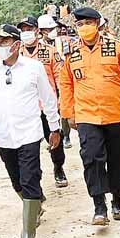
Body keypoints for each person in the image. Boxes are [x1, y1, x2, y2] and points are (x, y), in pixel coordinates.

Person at [0, 24, 61, 238]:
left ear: (16, 44)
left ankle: (28, 236)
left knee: (30, 179)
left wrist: (54, 128)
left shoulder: (34, 68)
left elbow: (48, 99)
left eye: (5, 41)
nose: (1, 46)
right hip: (4, 136)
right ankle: (34, 205)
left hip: (29, 134)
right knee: (17, 182)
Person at [59, 7, 120, 226]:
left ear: (98, 24)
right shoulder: (71, 54)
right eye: (80, 25)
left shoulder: (115, 47)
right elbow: (66, 83)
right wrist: (68, 113)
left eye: (88, 23)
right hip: (87, 116)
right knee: (92, 158)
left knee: (119, 158)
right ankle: (99, 205)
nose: (84, 28)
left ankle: (117, 199)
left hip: (116, 113)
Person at [17, 17, 68, 187]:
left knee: (55, 139)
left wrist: (61, 98)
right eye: (23, 30)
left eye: (29, 29)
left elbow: (60, 76)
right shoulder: (16, 53)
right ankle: (33, 179)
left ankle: (58, 167)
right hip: (26, 108)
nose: (26, 33)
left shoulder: (50, 51)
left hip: (47, 105)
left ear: (37, 31)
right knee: (28, 146)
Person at [38, 14, 74, 149]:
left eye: (53, 28)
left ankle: (66, 136)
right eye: (49, 29)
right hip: (47, 85)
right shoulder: (39, 47)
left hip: (63, 80)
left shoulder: (63, 42)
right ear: (42, 31)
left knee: (64, 110)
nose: (53, 31)